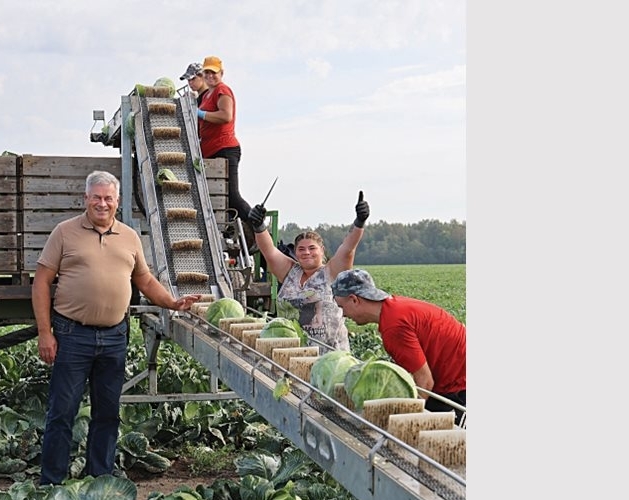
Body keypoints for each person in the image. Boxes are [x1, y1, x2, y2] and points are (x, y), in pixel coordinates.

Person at [32, 170, 201, 485]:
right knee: (62, 413)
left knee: (107, 413)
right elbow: (41, 282)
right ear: (85, 199)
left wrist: (172, 302)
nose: (102, 203)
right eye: (96, 197)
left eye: (108, 198)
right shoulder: (64, 233)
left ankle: (100, 478)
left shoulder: (129, 236)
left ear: (117, 201)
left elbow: (145, 280)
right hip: (72, 334)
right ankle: (51, 482)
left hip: (113, 336)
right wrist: (45, 331)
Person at [330, 268, 466, 423]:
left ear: (354, 300)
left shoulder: (394, 327)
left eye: (342, 307)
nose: (344, 314)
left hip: (459, 385)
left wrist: (403, 420)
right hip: (448, 377)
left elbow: (425, 382)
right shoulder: (393, 306)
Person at [247, 192, 371, 351]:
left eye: (312, 248)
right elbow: (269, 251)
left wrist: (359, 222)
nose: (306, 252)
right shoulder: (290, 272)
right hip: (291, 354)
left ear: (322, 251)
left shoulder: (332, 273)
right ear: (296, 252)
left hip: (329, 355)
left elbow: (348, 248)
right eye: (301, 249)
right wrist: (259, 226)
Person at [197, 55, 251, 225]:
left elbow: (225, 116)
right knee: (218, 200)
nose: (210, 76)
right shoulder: (206, 95)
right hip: (210, 150)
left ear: (221, 73)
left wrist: (202, 114)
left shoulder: (222, 90)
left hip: (225, 148)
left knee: (232, 197)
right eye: (206, 72)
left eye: (213, 72)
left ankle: (257, 227)